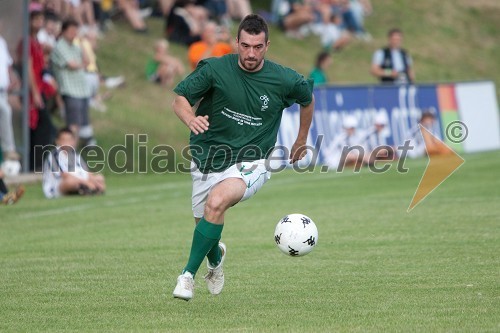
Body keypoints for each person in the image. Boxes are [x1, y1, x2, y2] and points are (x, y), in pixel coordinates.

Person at [171, 14, 314, 301]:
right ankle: (215, 258)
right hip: (207, 157)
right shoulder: (214, 68)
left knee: (217, 201)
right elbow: (180, 99)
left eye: (258, 47)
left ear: (267, 45)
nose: (251, 53)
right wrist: (190, 119)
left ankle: (187, 276)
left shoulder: (283, 78)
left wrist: (301, 140)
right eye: (245, 46)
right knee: (204, 223)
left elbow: (306, 99)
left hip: (253, 162)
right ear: (236, 42)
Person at [51, 18, 93, 145]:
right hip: (69, 89)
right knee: (73, 122)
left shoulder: (75, 46)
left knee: (81, 122)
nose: (74, 33)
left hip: (81, 89)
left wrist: (81, 41)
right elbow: (72, 65)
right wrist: (81, 64)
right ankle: (69, 145)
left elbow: (87, 61)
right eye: (71, 30)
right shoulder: (60, 46)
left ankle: (77, 145)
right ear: (64, 31)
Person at [42, 127, 105, 199]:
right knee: (69, 182)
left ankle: (84, 189)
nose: (66, 143)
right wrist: (87, 182)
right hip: (57, 186)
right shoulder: (54, 155)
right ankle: (84, 188)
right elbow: (64, 175)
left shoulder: (75, 154)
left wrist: (94, 180)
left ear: (73, 141)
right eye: (64, 140)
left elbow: (86, 171)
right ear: (57, 141)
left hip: (78, 180)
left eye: (69, 140)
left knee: (99, 177)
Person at [0, 25, 20, 162]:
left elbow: (7, 65)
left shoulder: (1, 41)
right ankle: (9, 149)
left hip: (3, 90)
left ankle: (8, 151)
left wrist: (12, 79)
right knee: (5, 111)